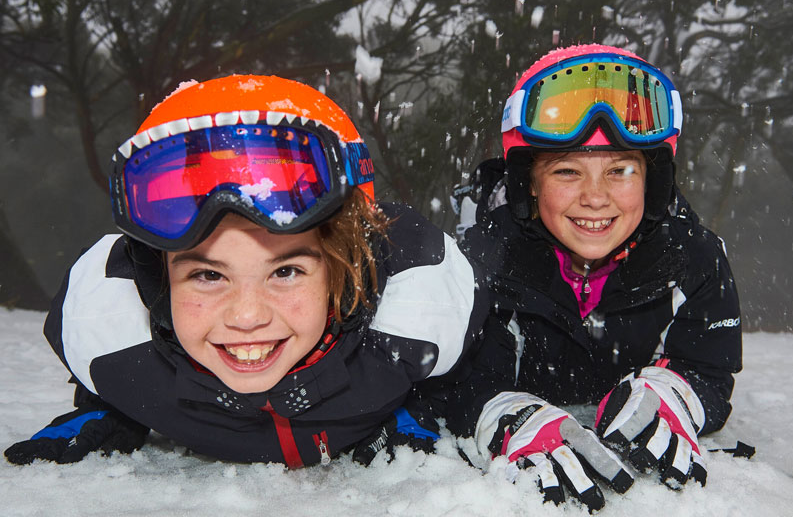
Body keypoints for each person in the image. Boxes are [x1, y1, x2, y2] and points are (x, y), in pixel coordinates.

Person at [5, 74, 486, 468]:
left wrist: (413, 407)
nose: (248, 317)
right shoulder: (117, 354)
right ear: (157, 282)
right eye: (208, 276)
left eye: (287, 271)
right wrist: (110, 407)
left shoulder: (411, 333)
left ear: (345, 271)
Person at [447, 44, 742, 511]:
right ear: (531, 184)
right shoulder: (482, 263)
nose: (595, 197)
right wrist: (502, 415)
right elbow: (455, 381)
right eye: (567, 171)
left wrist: (674, 394)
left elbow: (708, 367)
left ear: (652, 180)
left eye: (620, 170)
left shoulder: (693, 258)